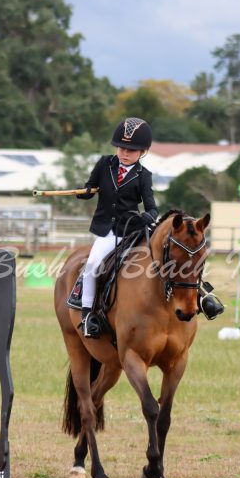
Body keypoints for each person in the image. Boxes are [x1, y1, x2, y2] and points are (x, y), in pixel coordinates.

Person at [77, 117, 158, 337]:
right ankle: (87, 316)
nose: (125, 153)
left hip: (131, 232)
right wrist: (83, 192)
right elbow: (90, 187)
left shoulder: (144, 176)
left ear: (143, 152)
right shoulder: (104, 164)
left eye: (131, 150)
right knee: (92, 265)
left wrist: (148, 216)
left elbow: (152, 208)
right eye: (122, 148)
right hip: (107, 231)